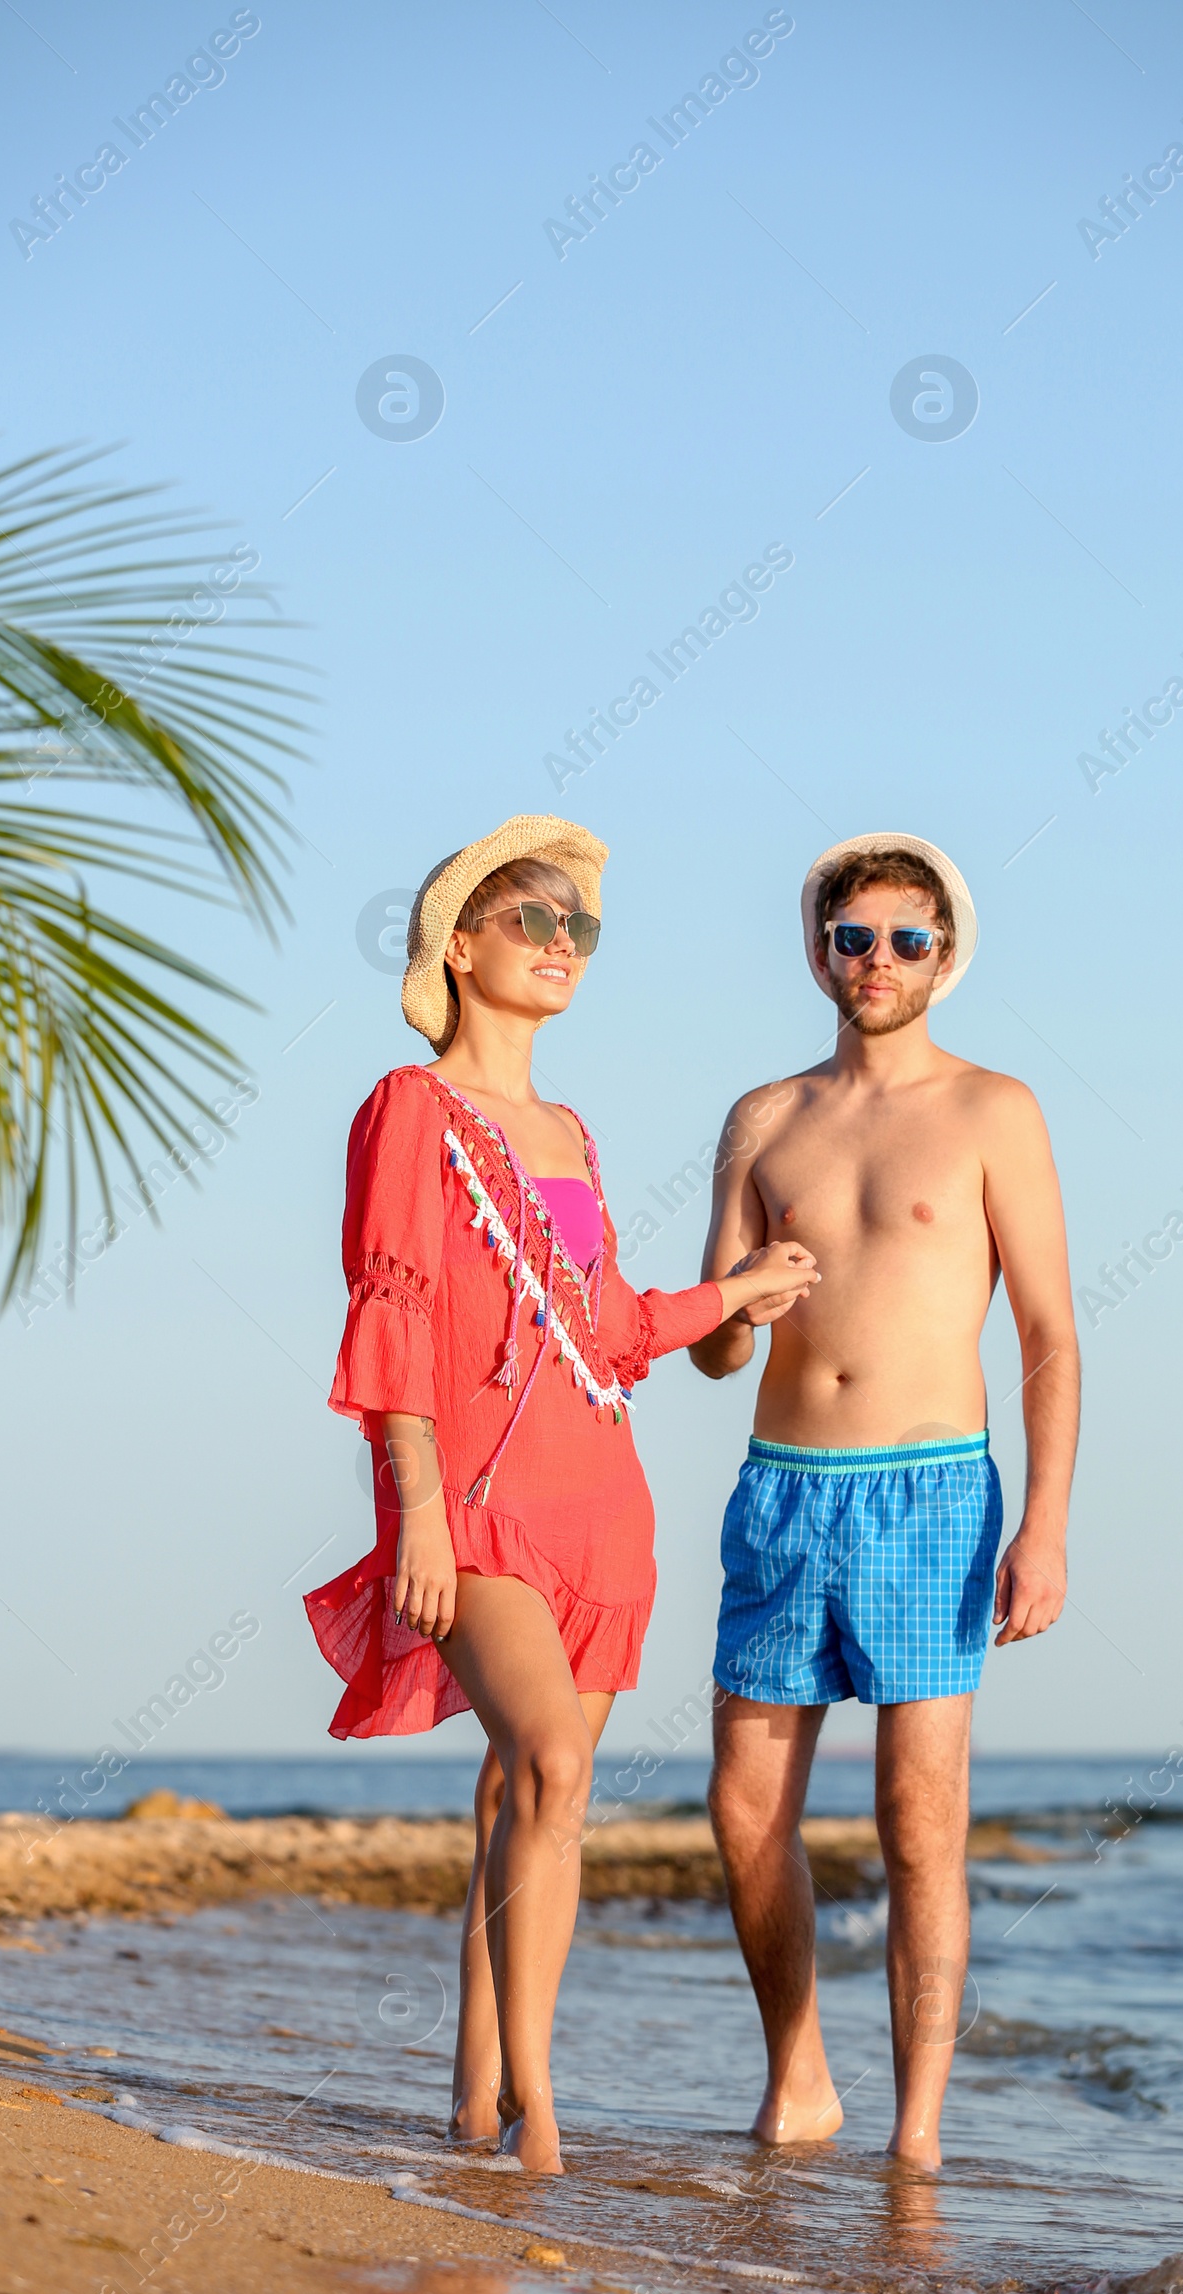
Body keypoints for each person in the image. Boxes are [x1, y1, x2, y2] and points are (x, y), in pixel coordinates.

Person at [304, 814, 817, 2175]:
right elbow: (395, 1312)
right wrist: (410, 1502)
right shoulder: (410, 1110)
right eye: (530, 920)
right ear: (460, 945)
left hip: (602, 1502)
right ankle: (541, 2104)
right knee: (556, 1765)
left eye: (578, 927)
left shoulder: (571, 1132)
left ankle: (473, 2100)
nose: (560, 945)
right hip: (470, 1503)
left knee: (515, 1797)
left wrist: (735, 1296)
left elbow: (598, 1332)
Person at [690, 831, 1079, 2171]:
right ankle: (799, 2077)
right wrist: (741, 1302)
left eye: (907, 940)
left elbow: (1049, 1337)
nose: (878, 961)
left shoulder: (994, 1111)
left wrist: (1045, 1524)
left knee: (921, 1820)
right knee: (744, 1808)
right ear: (819, 952)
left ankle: (917, 2138)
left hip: (929, 1493)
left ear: (946, 957)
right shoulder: (764, 1119)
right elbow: (713, 1345)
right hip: (785, 1489)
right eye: (855, 938)